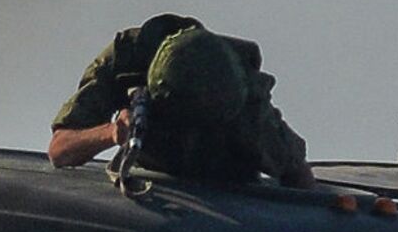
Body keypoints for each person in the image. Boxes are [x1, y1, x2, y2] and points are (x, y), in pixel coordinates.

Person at [47, 14, 314, 188]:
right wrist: (111, 133)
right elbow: (60, 150)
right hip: (149, 182)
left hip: (226, 193)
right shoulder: (126, 59)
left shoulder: (242, 98)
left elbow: (297, 175)